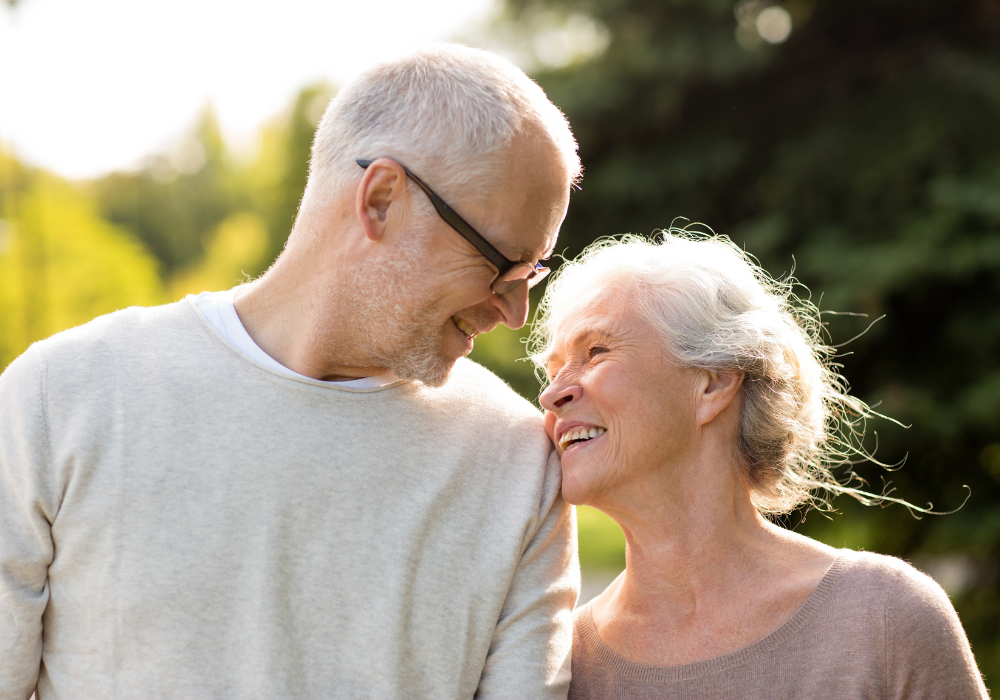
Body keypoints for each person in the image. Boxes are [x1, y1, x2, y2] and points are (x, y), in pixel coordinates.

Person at [0, 45, 582, 699]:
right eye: (503, 260)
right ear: (382, 199)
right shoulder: (60, 398)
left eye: (534, 270)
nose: (514, 309)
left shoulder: (519, 465)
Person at [532, 233, 989, 699]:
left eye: (596, 352)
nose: (552, 395)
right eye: (552, 371)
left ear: (713, 383)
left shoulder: (885, 617)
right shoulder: (558, 666)